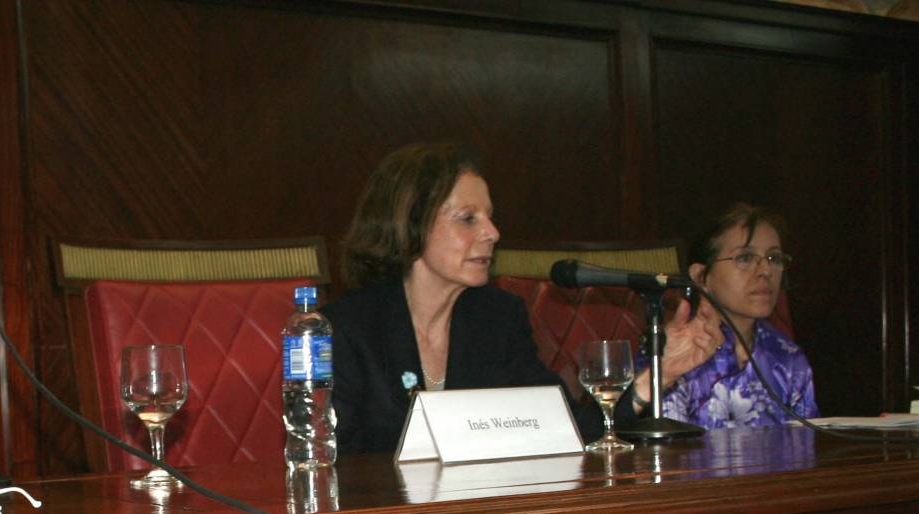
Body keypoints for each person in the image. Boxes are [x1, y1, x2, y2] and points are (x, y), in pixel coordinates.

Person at [324, 142, 723, 454]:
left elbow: (566, 429)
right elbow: (335, 461)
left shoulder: (497, 318)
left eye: (491, 216)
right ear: (410, 224)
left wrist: (660, 374)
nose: (493, 232)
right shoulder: (345, 329)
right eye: (468, 218)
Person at [625, 203, 816, 428]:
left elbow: (806, 449)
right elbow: (668, 452)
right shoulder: (675, 351)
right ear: (701, 276)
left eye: (774, 258)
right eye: (745, 258)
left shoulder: (788, 357)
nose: (766, 271)